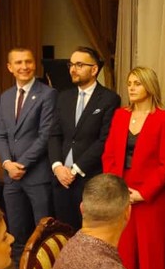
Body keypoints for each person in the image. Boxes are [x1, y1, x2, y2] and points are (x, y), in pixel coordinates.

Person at [102, 66, 165, 269]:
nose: (131, 88)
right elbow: (109, 155)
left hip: (150, 199)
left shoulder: (164, 119)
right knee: (123, 257)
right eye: (129, 83)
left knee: (151, 260)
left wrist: (144, 193)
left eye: (137, 83)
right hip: (120, 195)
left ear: (149, 86)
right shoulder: (120, 115)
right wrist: (117, 189)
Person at [48, 46, 120, 230]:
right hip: (61, 179)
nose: (73, 69)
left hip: (88, 178)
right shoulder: (63, 97)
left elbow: (104, 140)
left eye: (79, 65)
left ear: (94, 69)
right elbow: (55, 134)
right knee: (63, 232)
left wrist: (75, 170)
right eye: (71, 65)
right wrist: (57, 167)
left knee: (88, 232)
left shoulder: (109, 99)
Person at [0, 48, 56, 264]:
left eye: (28, 62)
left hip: (37, 176)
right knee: (16, 234)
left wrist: (20, 165)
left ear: (34, 64)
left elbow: (45, 135)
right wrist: (7, 163)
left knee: (42, 235)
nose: (24, 67)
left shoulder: (47, 94)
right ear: (9, 67)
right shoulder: (5, 97)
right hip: (11, 179)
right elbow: (1, 135)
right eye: (19, 62)